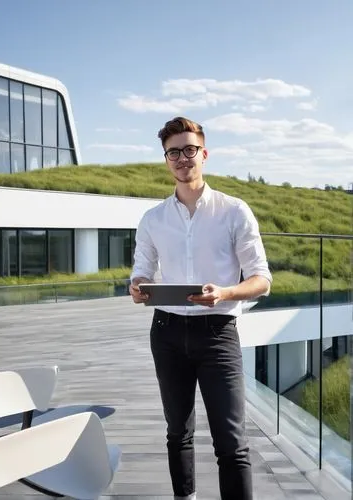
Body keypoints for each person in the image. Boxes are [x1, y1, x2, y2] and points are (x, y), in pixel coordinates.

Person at [129, 117, 272, 500]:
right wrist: (139, 287)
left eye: (189, 150)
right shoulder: (152, 219)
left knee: (232, 442)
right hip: (167, 332)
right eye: (173, 152)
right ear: (166, 160)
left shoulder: (234, 210)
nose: (182, 158)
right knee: (178, 432)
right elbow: (141, 271)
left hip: (218, 334)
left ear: (204, 154)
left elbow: (262, 279)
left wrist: (224, 293)